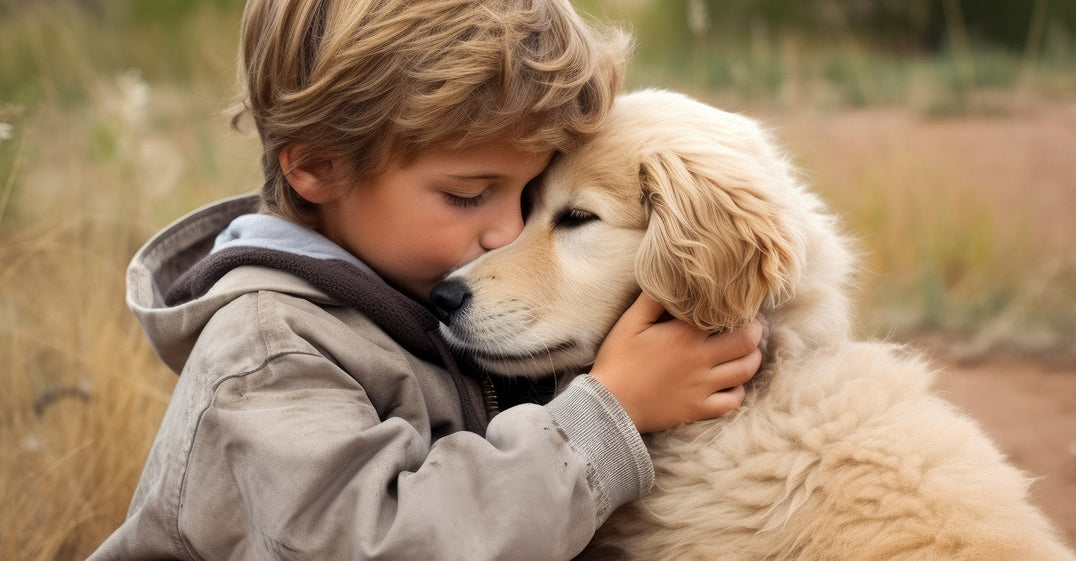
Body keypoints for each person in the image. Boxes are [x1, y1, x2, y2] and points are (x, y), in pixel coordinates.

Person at [89, 1, 763, 559]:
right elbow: (378, 545)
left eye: (529, 196)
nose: (506, 235)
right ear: (319, 167)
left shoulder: (407, 282)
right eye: (470, 195)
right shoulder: (269, 353)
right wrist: (604, 420)